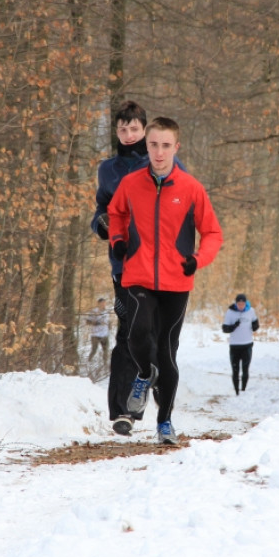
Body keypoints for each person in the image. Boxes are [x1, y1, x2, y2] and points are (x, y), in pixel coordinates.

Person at [107, 117, 223, 444]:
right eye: (154, 145)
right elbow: (116, 214)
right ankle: (145, 374)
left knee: (167, 354)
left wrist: (198, 260)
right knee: (137, 333)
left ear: (176, 147)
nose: (159, 152)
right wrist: (118, 240)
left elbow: (213, 233)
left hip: (176, 282)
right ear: (147, 145)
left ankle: (165, 423)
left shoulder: (191, 189)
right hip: (139, 275)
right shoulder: (130, 184)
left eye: (166, 145)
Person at [91, 101, 184, 427]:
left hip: (164, 265)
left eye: (134, 129)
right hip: (125, 265)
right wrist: (102, 225)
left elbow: (185, 205)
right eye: (122, 129)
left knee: (157, 334)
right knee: (129, 331)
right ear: (115, 131)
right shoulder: (108, 170)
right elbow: (100, 211)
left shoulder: (165, 162)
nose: (128, 135)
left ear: (144, 130)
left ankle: (157, 380)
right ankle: (123, 411)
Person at [222, 293, 259, 395]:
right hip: (235, 345)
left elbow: (256, 323)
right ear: (236, 303)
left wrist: (255, 326)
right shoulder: (230, 312)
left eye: (243, 303)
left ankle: (243, 389)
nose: (241, 305)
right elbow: (225, 329)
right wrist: (234, 326)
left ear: (246, 303)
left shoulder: (251, 311)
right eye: (239, 304)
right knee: (235, 370)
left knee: (245, 369)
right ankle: (236, 391)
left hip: (247, 344)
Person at [86, 297, 110, 363]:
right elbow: (88, 322)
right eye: (102, 303)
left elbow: (107, 322)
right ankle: (89, 361)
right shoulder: (93, 311)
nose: (104, 304)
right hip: (95, 334)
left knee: (105, 350)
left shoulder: (106, 312)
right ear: (98, 303)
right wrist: (97, 322)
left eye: (105, 303)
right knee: (94, 350)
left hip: (104, 334)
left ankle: (105, 364)